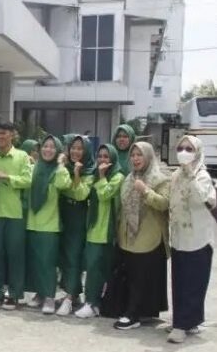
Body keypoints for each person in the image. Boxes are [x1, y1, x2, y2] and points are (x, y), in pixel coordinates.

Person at [110, 141, 169, 330]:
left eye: (139, 155)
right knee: (132, 277)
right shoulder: (128, 178)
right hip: (128, 237)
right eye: (133, 155)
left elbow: (164, 204)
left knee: (142, 278)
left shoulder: (160, 179)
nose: (135, 159)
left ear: (148, 156)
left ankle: (133, 315)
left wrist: (145, 191)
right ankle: (138, 312)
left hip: (149, 237)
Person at [167, 135, 215, 343]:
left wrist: (190, 173)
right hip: (179, 237)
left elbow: (200, 198)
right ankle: (186, 321)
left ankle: (182, 325)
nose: (184, 153)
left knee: (194, 282)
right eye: (181, 148)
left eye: (189, 149)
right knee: (179, 282)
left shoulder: (202, 176)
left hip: (198, 238)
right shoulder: (175, 175)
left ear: (197, 152)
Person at [0, 122, 32, 310]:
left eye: (3, 133)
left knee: (15, 256)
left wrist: (7, 177)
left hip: (15, 213)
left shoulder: (22, 156)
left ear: (11, 135)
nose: (0, 137)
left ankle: (14, 294)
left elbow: (27, 180)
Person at [75, 144, 124, 319]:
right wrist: (77, 174)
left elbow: (105, 195)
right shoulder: (94, 175)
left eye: (106, 156)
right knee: (92, 268)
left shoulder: (118, 177)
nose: (102, 160)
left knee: (105, 270)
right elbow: (80, 194)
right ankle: (91, 302)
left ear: (112, 159)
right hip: (94, 230)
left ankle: (100, 303)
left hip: (109, 232)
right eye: (100, 156)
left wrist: (102, 176)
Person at [25, 135, 70, 314]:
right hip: (32, 222)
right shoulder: (35, 167)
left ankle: (50, 296)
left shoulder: (58, 170)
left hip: (50, 224)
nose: (48, 150)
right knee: (36, 262)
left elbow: (63, 184)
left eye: (52, 147)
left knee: (48, 263)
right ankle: (40, 293)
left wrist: (60, 164)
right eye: (45, 146)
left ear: (57, 150)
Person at [57, 135, 96, 316]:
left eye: (80, 148)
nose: (75, 151)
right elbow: (61, 185)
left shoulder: (89, 170)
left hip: (78, 216)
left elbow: (80, 195)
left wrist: (77, 174)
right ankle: (73, 294)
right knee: (65, 257)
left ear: (86, 151)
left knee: (74, 256)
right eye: (73, 147)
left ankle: (69, 298)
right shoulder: (65, 167)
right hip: (63, 213)